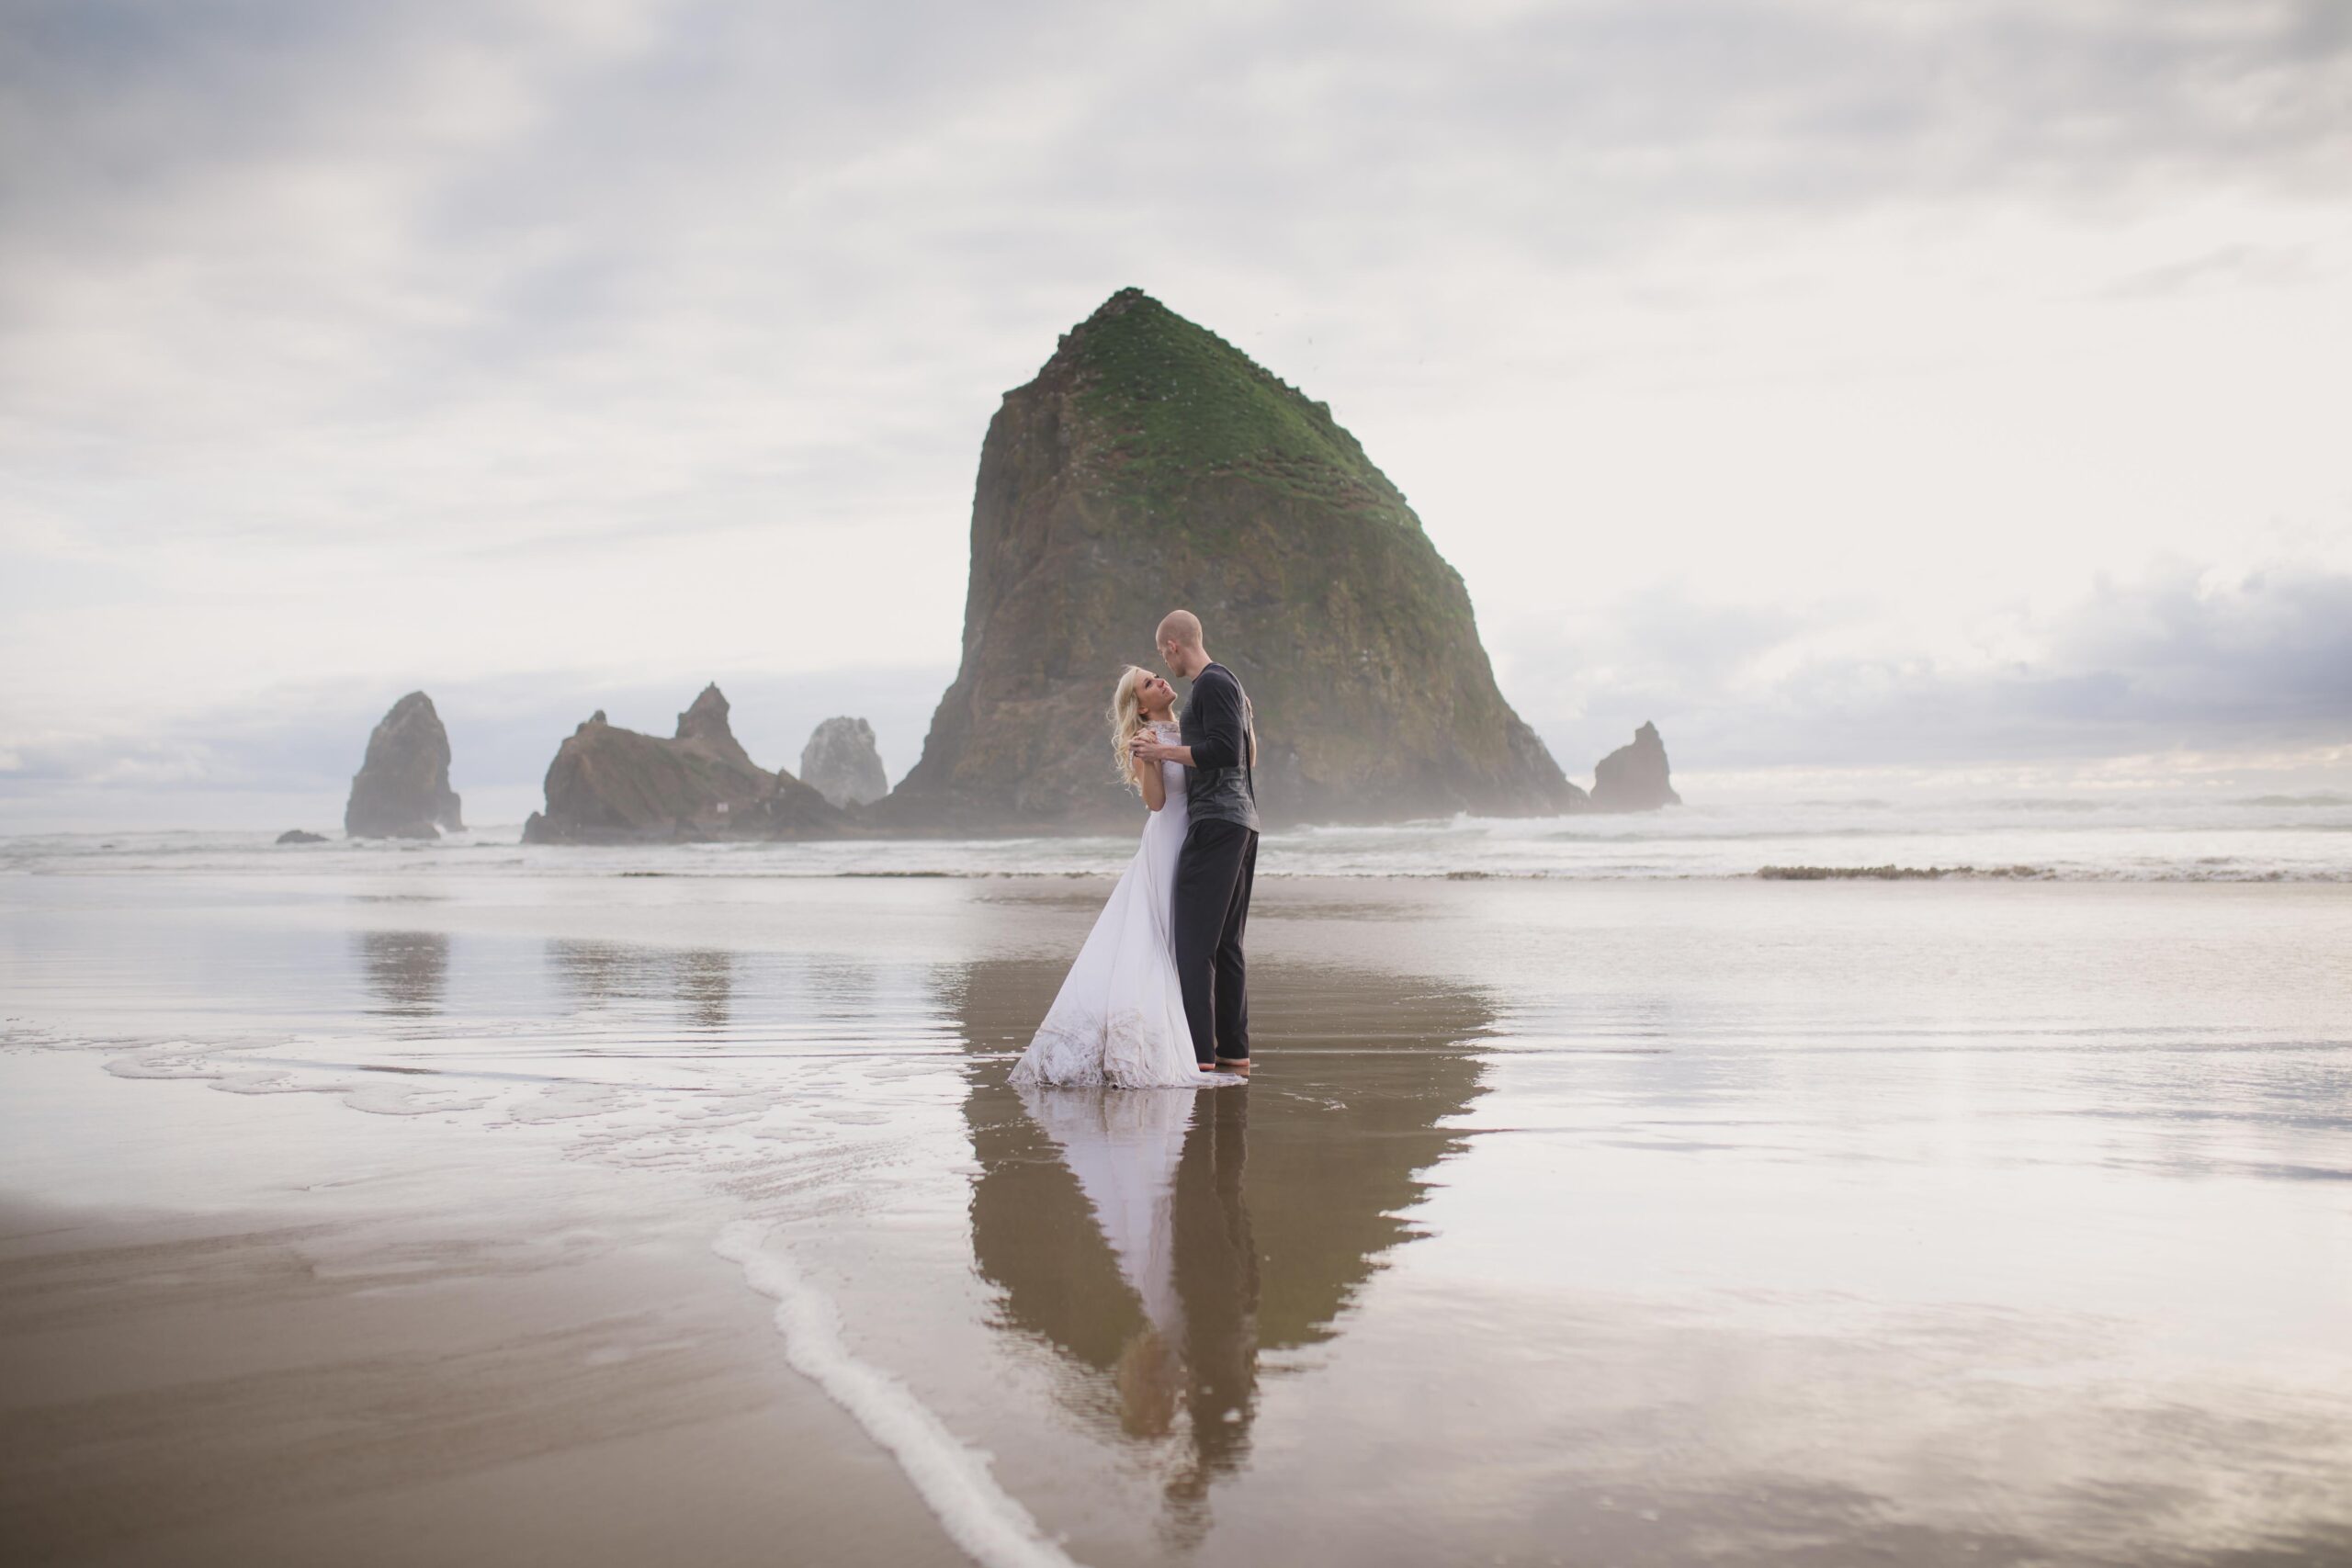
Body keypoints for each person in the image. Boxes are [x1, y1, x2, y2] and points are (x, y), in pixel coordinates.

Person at [1009, 666, 1222, 1088]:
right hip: (1168, 840)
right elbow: (1157, 803)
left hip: (1199, 835)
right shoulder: (1145, 739)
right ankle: (1165, 1040)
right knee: (1163, 936)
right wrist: (1151, 758)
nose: (1161, 680)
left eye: (1159, 674)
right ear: (1142, 707)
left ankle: (1183, 1033)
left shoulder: (1190, 726)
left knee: (1184, 939)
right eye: (1149, 683)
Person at [1131, 611, 1260, 1077]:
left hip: (1217, 825)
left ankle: (1199, 1059)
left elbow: (1226, 752)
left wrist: (1161, 752)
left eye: (1162, 655)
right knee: (1225, 946)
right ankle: (1232, 1054)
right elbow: (1244, 753)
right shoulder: (1229, 686)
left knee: (1194, 948)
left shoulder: (1210, 684)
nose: (1164, 667)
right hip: (1240, 822)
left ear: (1172, 647)